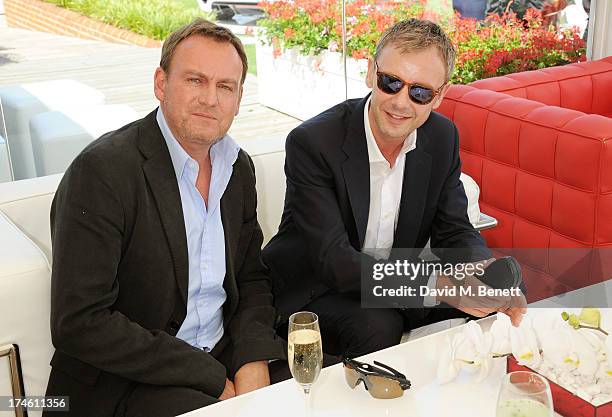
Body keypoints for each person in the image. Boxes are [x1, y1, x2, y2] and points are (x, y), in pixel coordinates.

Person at [44, 18, 284, 417]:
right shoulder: (102, 172)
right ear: (161, 84)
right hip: (125, 381)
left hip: (223, 357)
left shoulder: (237, 167)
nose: (211, 99)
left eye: (225, 86)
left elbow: (250, 278)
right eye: (195, 80)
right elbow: (80, 321)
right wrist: (207, 375)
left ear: (239, 100)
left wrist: (253, 361)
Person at [262, 19, 526, 359]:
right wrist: (439, 286)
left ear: (440, 95)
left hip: (395, 283)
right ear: (372, 73)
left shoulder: (442, 137)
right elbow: (335, 261)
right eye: (391, 83)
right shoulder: (314, 142)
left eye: (419, 93)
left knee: (502, 291)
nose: (402, 103)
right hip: (317, 289)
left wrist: (483, 276)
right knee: (378, 323)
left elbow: (455, 232)